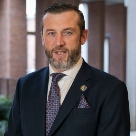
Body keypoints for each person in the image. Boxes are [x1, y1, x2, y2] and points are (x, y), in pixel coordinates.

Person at [4, 2, 130, 136]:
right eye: (51, 33)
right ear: (42, 38)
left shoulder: (111, 89)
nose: (59, 42)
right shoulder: (25, 85)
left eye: (67, 32)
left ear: (83, 36)